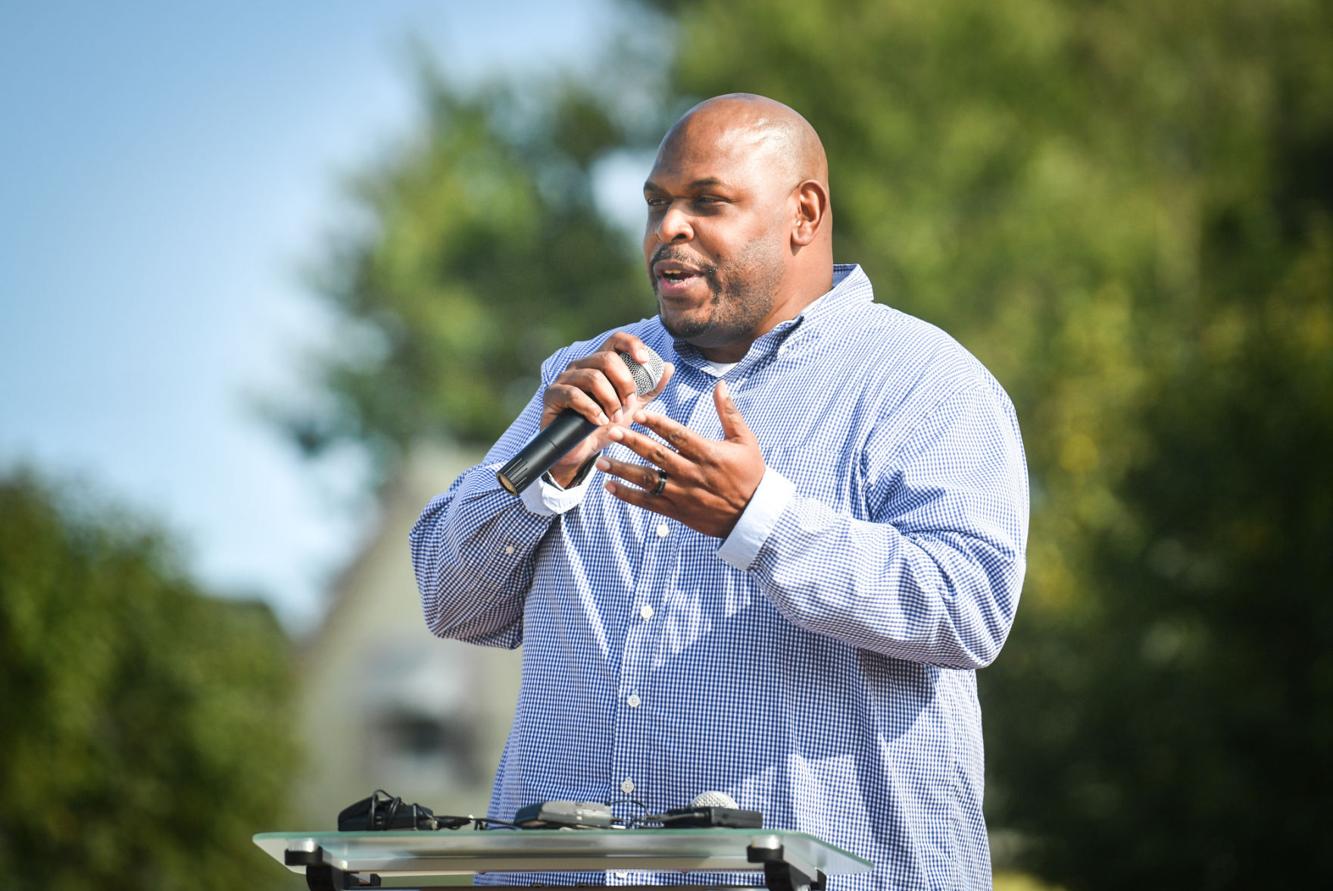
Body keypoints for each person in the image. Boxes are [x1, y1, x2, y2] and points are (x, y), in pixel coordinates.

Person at [411, 93, 1028, 890]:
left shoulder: (922, 381)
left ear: (802, 213)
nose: (668, 228)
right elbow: (451, 601)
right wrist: (545, 479)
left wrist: (761, 519)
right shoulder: (593, 374)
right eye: (657, 204)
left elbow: (968, 607)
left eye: (707, 202)